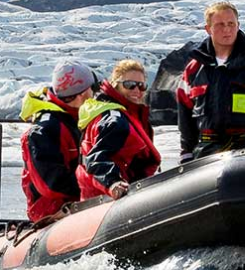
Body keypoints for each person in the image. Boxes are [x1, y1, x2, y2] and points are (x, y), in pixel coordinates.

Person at [176, 1, 245, 163]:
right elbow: (185, 115)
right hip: (205, 153)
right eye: (220, 24)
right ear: (208, 29)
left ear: (238, 25)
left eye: (231, 23)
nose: (227, 29)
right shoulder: (194, 69)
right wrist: (186, 152)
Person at [75, 59, 162, 201]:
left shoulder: (123, 114)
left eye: (141, 86)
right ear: (116, 85)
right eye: (129, 85)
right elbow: (97, 158)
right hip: (108, 201)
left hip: (114, 197)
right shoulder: (114, 119)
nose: (136, 90)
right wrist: (113, 182)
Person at [20, 60, 94, 223]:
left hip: (84, 200)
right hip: (52, 209)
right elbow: (51, 184)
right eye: (92, 89)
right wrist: (95, 183)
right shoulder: (45, 129)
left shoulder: (81, 119)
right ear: (82, 93)